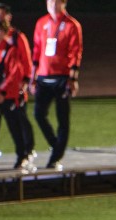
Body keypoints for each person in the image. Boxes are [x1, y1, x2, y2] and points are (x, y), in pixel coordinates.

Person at [31, 0, 81, 170]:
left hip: (62, 78)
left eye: (56, 1)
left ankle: (55, 157)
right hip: (44, 77)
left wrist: (73, 79)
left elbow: (76, 52)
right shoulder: (41, 23)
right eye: (50, 1)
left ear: (64, 3)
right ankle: (56, 144)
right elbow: (37, 50)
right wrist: (33, 77)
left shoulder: (72, 25)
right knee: (38, 114)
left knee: (62, 119)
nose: (52, 4)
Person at [0, 13, 35, 173]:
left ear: (5, 33)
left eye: (0, 31)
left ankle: (22, 155)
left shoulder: (10, 50)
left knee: (14, 126)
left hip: (7, 95)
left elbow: (14, 73)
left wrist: (3, 90)